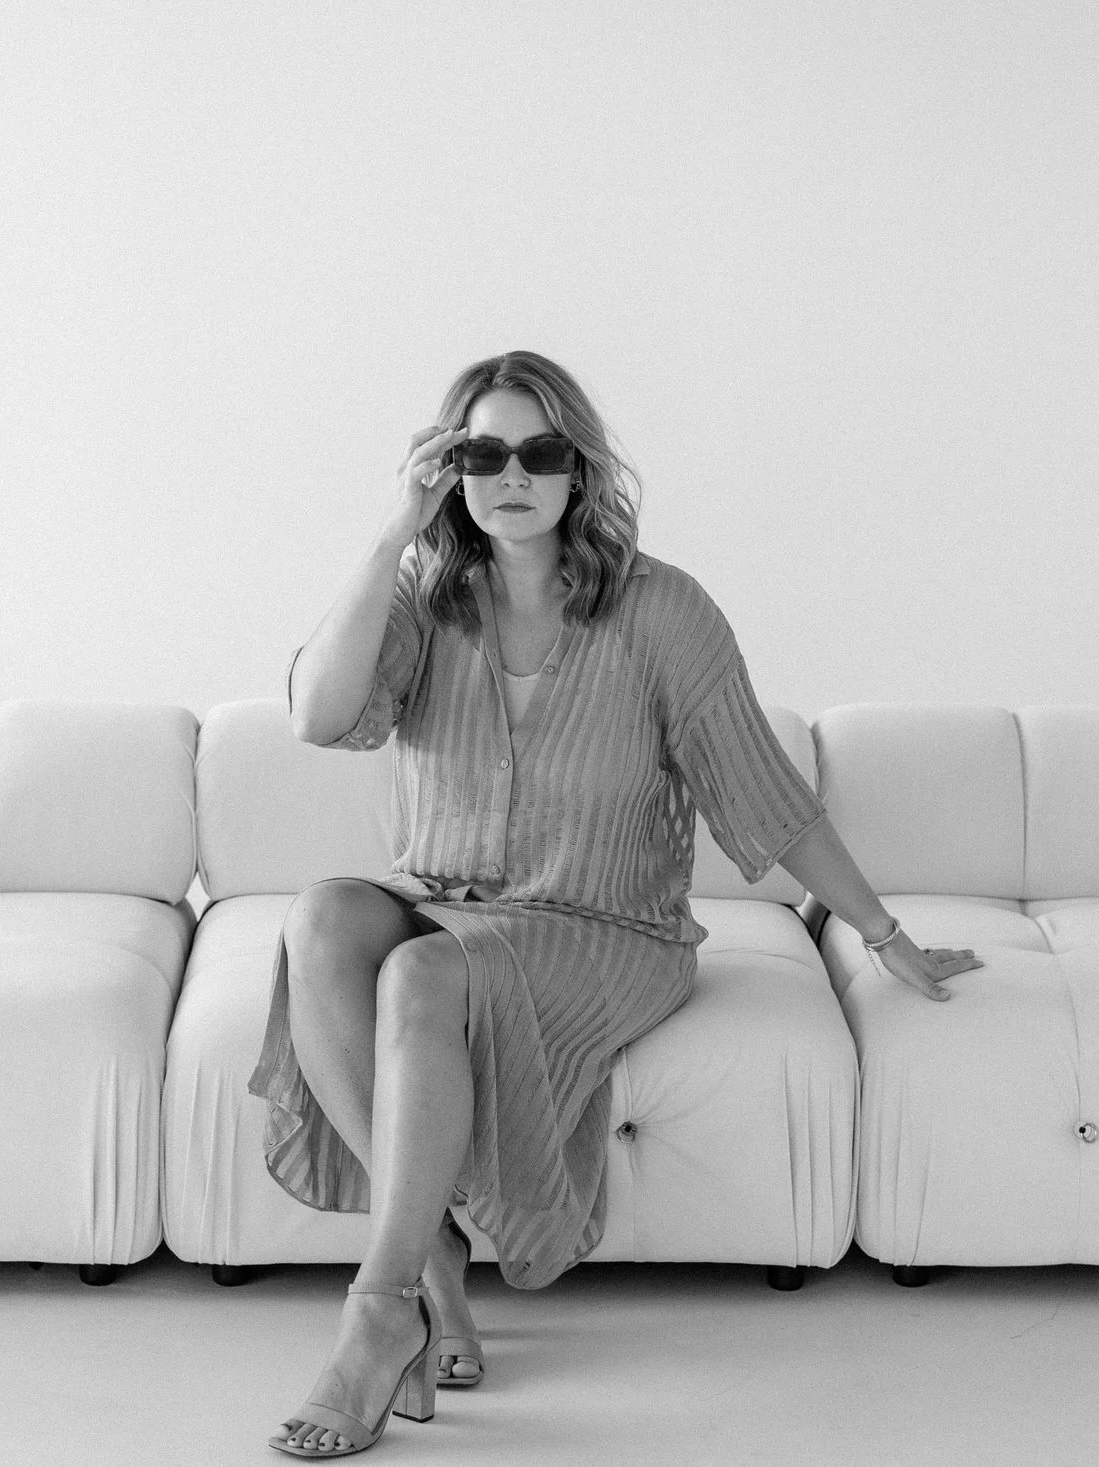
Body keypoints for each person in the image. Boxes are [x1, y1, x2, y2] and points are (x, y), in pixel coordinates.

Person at [257, 352, 981, 1457]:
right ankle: (437, 1256)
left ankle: (375, 1310)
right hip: (449, 900)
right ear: (449, 470)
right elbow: (316, 714)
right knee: (321, 919)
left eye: (541, 452)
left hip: (606, 929)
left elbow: (764, 797)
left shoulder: (661, 611)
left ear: (578, 470)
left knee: (417, 973)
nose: (513, 476)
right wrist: (391, 532)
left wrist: (884, 934)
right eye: (482, 452)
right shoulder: (424, 596)